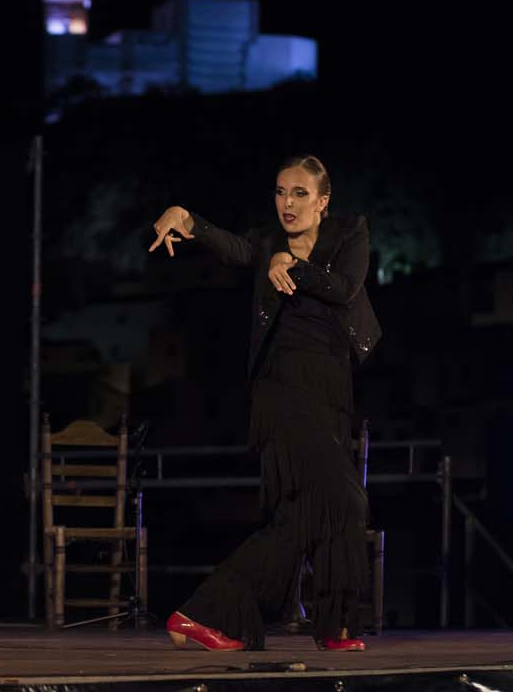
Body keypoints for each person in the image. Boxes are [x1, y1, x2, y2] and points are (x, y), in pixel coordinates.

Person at [149, 154, 380, 652]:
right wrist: (185, 217)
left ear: (323, 201)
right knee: (345, 499)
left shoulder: (350, 234)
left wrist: (292, 263)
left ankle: (330, 628)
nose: (288, 203)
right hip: (282, 392)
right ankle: (208, 610)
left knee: (309, 513)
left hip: (332, 392)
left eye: (299, 194)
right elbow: (230, 245)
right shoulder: (266, 244)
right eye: (280, 192)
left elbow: (342, 288)